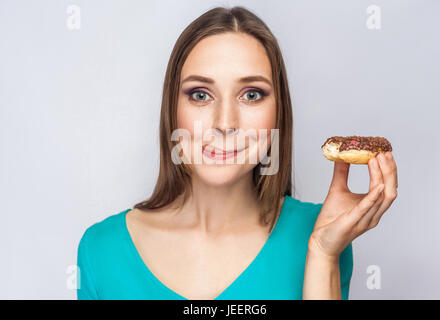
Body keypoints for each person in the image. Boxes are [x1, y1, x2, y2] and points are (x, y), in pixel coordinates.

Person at [77, 6, 398, 300]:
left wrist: (324, 253)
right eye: (200, 94)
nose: (225, 123)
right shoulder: (102, 251)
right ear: (172, 110)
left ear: (278, 112)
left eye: (252, 94)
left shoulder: (324, 232)